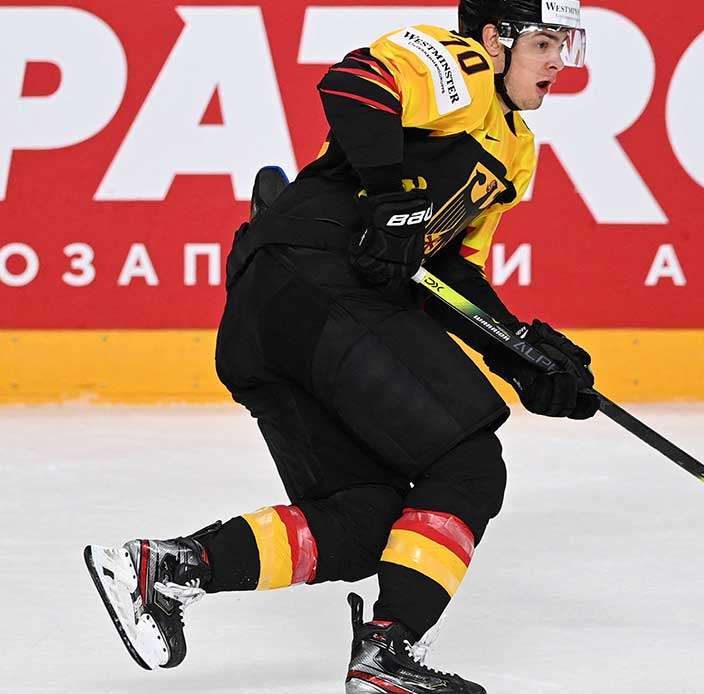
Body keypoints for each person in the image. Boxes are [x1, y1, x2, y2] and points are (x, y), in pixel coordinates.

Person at [83, 2, 595, 692]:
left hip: (272, 315)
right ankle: (386, 656)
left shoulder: (515, 152)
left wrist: (521, 353)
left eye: (568, 44)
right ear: (495, 40)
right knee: (468, 462)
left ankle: (168, 568)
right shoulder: (467, 70)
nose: (560, 60)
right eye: (545, 42)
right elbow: (356, 84)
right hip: (319, 282)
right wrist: (389, 195)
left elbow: (445, 272)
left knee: (366, 521)